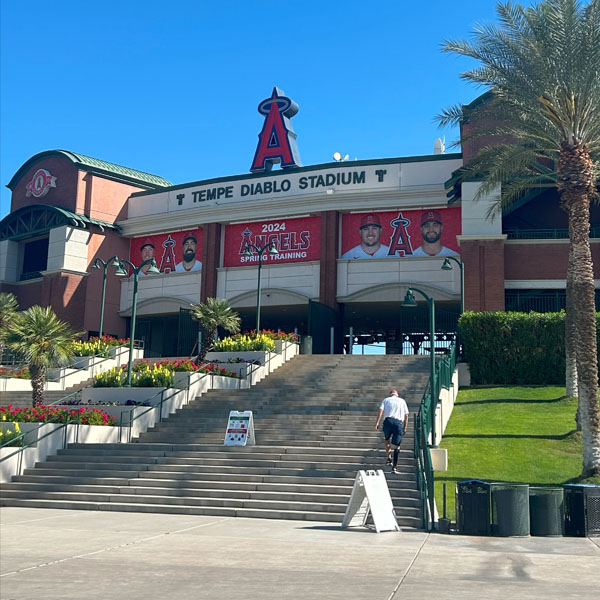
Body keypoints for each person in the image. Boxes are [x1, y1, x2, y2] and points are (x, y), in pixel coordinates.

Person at [375, 389, 409, 474]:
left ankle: (389, 457)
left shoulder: (386, 400)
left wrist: (377, 422)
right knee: (397, 446)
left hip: (388, 421)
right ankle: (395, 466)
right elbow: (406, 415)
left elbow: (380, 411)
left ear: (390, 394)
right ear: (397, 394)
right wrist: (405, 427)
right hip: (398, 423)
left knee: (386, 439)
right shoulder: (402, 401)